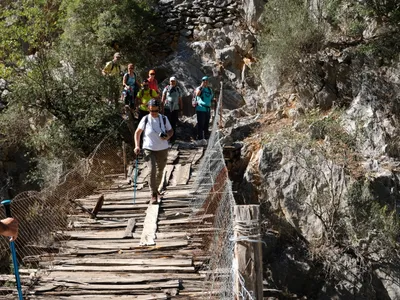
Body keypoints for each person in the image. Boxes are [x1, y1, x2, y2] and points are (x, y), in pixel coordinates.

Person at [134, 99, 173, 204]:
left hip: (162, 148)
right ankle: (153, 194)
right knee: (152, 170)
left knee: (160, 170)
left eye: (155, 110)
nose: (154, 113)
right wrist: (137, 146)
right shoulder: (145, 119)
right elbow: (137, 133)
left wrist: (168, 136)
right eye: (151, 110)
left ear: (159, 109)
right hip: (148, 148)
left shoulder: (164, 119)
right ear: (148, 109)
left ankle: (156, 190)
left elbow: (170, 130)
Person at [194, 76, 215, 146]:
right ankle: (200, 139)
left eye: (206, 81)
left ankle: (206, 138)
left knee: (206, 124)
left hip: (208, 109)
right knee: (201, 124)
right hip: (200, 109)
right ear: (202, 81)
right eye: (204, 80)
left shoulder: (209, 90)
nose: (205, 82)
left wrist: (214, 100)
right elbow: (197, 94)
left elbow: (211, 98)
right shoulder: (199, 88)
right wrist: (201, 87)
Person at [161, 76, 182, 142]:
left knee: (173, 124)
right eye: (171, 81)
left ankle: (173, 139)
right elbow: (163, 99)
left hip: (175, 109)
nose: (172, 82)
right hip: (167, 108)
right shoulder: (166, 88)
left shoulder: (178, 89)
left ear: (175, 82)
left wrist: (181, 109)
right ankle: (167, 138)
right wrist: (162, 108)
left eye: (173, 81)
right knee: (167, 123)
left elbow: (180, 100)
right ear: (169, 82)